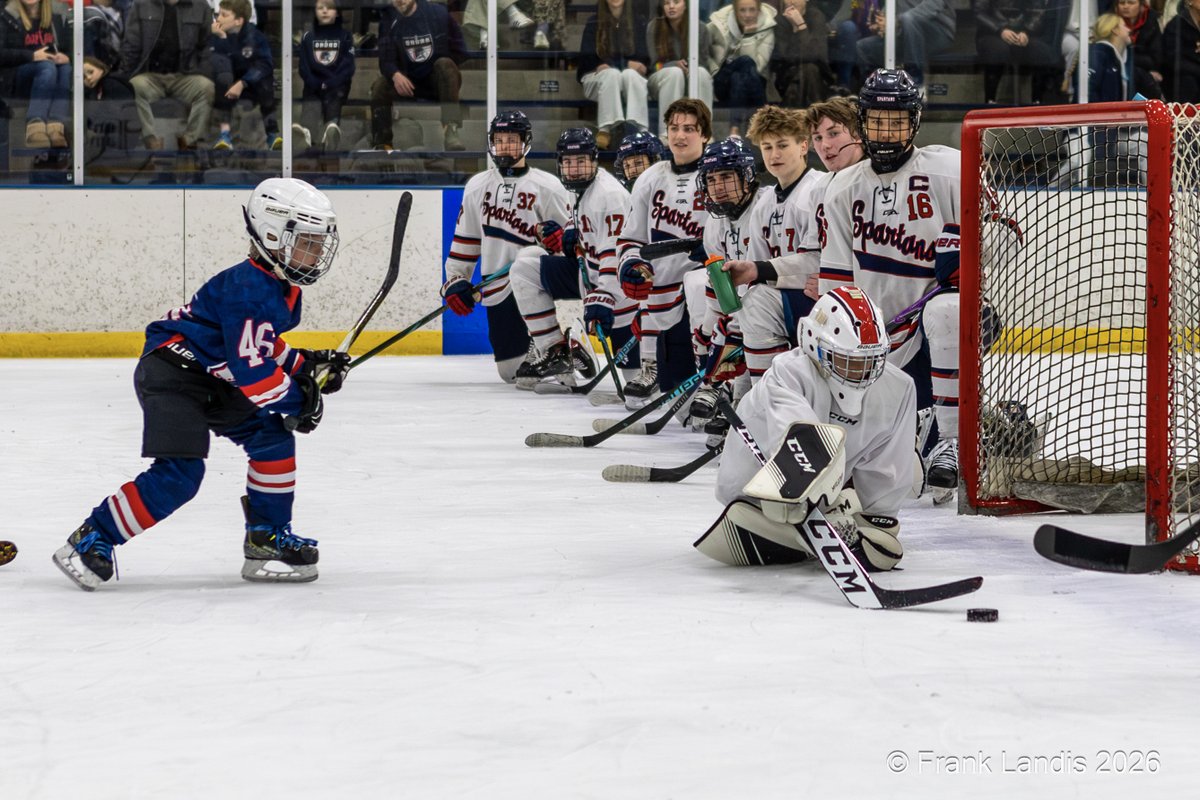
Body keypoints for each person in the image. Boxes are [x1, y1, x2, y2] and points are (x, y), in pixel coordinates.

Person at [52, 178, 345, 591]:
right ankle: (92, 538)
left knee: (273, 438)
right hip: (174, 372)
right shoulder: (249, 290)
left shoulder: (278, 286)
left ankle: (267, 539)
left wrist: (307, 364)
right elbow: (254, 376)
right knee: (181, 473)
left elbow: (259, 346)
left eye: (318, 242)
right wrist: (300, 398)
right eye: (307, 241)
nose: (316, 252)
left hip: (213, 374)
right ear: (273, 235)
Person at [817, 69, 961, 503]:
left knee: (945, 311)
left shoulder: (948, 169)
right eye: (878, 120)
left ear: (914, 123)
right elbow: (836, 280)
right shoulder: (843, 187)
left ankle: (952, 442)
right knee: (872, 464)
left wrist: (970, 252)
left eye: (896, 120)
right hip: (878, 336)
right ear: (862, 123)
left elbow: (1007, 232)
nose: (886, 130)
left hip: (942, 327)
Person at [709, 285, 915, 572]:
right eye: (847, 361)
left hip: (826, 494)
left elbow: (889, 469)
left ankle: (823, 516)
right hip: (754, 496)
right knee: (781, 507)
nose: (861, 374)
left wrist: (877, 521)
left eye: (870, 362)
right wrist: (815, 504)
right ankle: (807, 518)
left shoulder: (899, 387)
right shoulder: (788, 373)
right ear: (813, 343)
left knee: (910, 477)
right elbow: (799, 443)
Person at [441, 111, 575, 384]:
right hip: (495, 288)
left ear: (525, 142)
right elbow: (466, 240)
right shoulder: (478, 186)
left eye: (511, 140)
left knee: (529, 260)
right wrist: (456, 280)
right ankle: (553, 348)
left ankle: (555, 347)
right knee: (512, 374)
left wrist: (560, 241)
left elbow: (574, 239)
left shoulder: (548, 186)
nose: (504, 146)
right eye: (499, 140)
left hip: (534, 281)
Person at [721, 102, 843, 386]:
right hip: (791, 299)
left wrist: (758, 271)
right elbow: (757, 273)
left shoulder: (818, 187)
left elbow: (818, 261)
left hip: (823, 298)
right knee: (747, 302)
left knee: (758, 301)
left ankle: (770, 396)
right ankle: (745, 395)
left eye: (782, 145)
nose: (774, 155)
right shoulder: (764, 204)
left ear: (803, 146)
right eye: (767, 147)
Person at [510, 128, 640, 387]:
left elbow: (616, 257)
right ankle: (555, 351)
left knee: (634, 382)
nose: (574, 168)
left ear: (594, 160)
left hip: (620, 293)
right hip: (587, 278)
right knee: (524, 269)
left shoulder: (610, 196)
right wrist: (569, 232)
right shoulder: (575, 188)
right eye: (568, 162)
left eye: (581, 161)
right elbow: (583, 224)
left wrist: (604, 298)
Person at [617, 97, 711, 405]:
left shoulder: (717, 174)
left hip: (704, 286)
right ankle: (651, 367)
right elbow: (631, 237)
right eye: (674, 128)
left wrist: (711, 251)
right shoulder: (650, 177)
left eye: (689, 129)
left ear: (705, 135)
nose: (680, 136)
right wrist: (629, 265)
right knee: (677, 398)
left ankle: (714, 382)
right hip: (660, 289)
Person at [683, 136, 764, 432]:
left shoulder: (764, 207)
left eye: (727, 177)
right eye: (712, 179)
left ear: (747, 176)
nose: (718, 187)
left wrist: (725, 331)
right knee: (695, 285)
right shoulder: (714, 222)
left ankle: (739, 397)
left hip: (776, 307)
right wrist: (706, 333)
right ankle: (721, 387)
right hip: (742, 309)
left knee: (743, 326)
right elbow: (720, 286)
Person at [115, 0, 215, 152]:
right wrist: (124, 75)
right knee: (134, 86)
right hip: (150, 75)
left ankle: (189, 143)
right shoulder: (142, 5)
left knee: (206, 87)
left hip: (185, 75)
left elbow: (207, 46)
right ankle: (152, 142)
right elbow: (131, 44)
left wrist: (203, 71)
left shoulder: (200, 6)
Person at [372, 0, 467, 152]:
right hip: (407, 83)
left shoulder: (438, 13)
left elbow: (460, 50)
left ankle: (451, 129)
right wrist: (395, 74)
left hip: (435, 81)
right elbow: (385, 60)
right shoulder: (388, 20)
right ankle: (383, 142)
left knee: (445, 64)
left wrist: (439, 67)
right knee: (380, 86)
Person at [577, 0, 650, 148]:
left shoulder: (638, 21)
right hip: (596, 80)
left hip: (627, 80)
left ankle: (640, 129)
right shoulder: (593, 22)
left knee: (630, 74)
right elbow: (587, 60)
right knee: (612, 74)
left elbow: (643, 59)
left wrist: (622, 65)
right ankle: (604, 130)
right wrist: (619, 65)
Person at [0, 0, 72, 148]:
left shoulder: (57, 14)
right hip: (17, 79)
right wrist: (31, 56)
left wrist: (67, 56)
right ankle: (35, 126)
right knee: (46, 67)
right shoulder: (6, 16)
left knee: (65, 68)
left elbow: (72, 47)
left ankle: (55, 126)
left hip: (50, 75)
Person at [210, 0, 279, 150]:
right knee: (222, 77)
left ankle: (272, 133)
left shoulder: (256, 37)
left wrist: (243, 82)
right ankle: (225, 135)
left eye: (224, 15)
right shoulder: (216, 35)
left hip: (250, 85)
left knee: (265, 81)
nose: (218, 19)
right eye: (218, 14)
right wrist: (222, 38)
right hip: (228, 84)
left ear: (238, 20)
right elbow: (218, 62)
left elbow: (265, 64)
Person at [646, 0, 716, 136]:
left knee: (700, 73)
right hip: (661, 78)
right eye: (667, 3)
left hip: (689, 77)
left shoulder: (700, 28)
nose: (671, 6)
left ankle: (704, 132)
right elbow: (653, 65)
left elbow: (704, 63)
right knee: (674, 73)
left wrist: (690, 66)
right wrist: (672, 64)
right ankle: (667, 133)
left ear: (685, 5)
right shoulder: (654, 27)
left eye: (676, 2)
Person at [295, 0, 356, 153]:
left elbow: (348, 66)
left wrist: (331, 82)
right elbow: (303, 66)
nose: (324, 11)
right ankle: (306, 134)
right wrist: (315, 82)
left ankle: (332, 130)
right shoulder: (308, 36)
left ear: (337, 12)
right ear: (315, 11)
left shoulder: (345, 36)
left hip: (336, 85)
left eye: (329, 8)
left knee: (334, 98)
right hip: (314, 85)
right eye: (320, 8)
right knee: (311, 103)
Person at [973, 0, 1061, 104]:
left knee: (1041, 51)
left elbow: (1038, 12)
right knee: (997, 51)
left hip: (1023, 33)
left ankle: (1037, 101)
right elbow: (978, 12)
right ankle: (990, 101)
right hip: (991, 33)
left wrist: (1026, 31)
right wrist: (1000, 30)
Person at [710, 0, 776, 135]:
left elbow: (757, 67)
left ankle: (734, 129)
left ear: (759, 11)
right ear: (735, 11)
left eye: (752, 10)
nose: (747, 15)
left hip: (751, 82)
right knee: (745, 62)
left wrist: (748, 38)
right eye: (742, 10)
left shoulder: (767, 30)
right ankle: (764, 110)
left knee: (739, 76)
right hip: (722, 81)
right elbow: (704, 53)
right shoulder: (718, 25)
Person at [856, 0, 956, 87]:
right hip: (905, 34)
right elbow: (892, 6)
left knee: (908, 19)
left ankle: (915, 81)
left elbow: (933, 5)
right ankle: (874, 88)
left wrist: (895, 21)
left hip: (938, 32)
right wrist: (881, 22)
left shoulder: (906, 19)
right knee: (863, 47)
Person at [770, 0, 833, 108]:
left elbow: (814, 54)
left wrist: (800, 26)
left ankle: (795, 120)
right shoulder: (780, 21)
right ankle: (816, 115)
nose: (791, 2)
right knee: (806, 70)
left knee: (808, 69)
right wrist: (799, 30)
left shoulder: (816, 17)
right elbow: (786, 57)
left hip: (818, 75)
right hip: (787, 75)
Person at [1162, 0, 1200, 102]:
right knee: (1188, 82)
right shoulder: (1176, 26)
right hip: (1183, 81)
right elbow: (1173, 60)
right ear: (1189, 1)